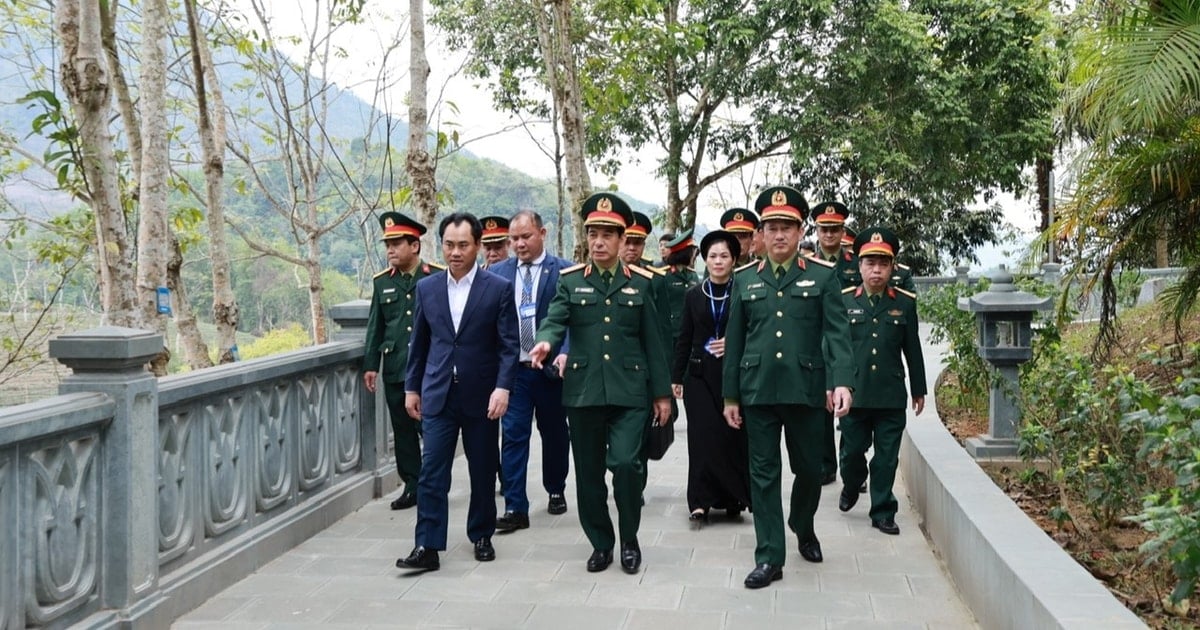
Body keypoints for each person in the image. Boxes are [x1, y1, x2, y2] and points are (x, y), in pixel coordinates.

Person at [529, 192, 671, 575]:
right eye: (593, 233)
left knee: (627, 465)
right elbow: (556, 318)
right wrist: (545, 340)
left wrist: (662, 394)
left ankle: (629, 538)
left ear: (624, 240)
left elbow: (653, 343)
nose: (599, 241)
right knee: (589, 476)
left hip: (630, 392)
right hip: (584, 392)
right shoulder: (571, 282)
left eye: (608, 234)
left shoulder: (642, 284)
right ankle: (601, 542)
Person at [722, 185, 854, 589]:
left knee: (810, 471)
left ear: (801, 232)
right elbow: (736, 339)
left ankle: (802, 522)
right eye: (772, 227)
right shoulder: (745, 279)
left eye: (787, 227)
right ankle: (769, 556)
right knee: (763, 475)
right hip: (758, 390)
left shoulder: (822, 276)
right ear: (761, 234)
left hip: (807, 389)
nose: (779, 235)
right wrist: (730, 395)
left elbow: (837, 333)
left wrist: (842, 382)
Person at [395, 212, 520, 573]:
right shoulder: (427, 288)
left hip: (482, 396)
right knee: (432, 470)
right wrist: (411, 387)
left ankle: (481, 535)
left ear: (477, 246)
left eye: (463, 245)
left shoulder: (496, 288)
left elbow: (508, 346)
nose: (455, 252)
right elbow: (418, 343)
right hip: (437, 395)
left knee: (482, 469)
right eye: (449, 245)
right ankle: (427, 545)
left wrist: (502, 388)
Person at [838, 227, 926, 536]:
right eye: (870, 263)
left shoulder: (904, 303)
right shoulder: (844, 300)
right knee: (851, 455)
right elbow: (833, 348)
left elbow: (912, 348)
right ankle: (851, 483)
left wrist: (919, 389)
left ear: (891, 268)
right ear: (859, 266)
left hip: (890, 394)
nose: (876, 270)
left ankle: (883, 511)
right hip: (854, 394)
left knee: (887, 458)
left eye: (883, 264)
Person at [488, 210, 573, 531]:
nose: (519, 244)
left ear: (543, 233)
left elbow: (571, 323)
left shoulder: (564, 271)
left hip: (550, 371)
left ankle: (556, 488)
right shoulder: (497, 274)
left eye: (526, 237)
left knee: (554, 434)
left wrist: (564, 353)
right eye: (514, 239)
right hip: (513, 372)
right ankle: (515, 506)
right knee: (512, 436)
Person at [362, 212, 443, 510]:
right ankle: (413, 484)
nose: (391, 250)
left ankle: (435, 483)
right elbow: (376, 325)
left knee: (433, 427)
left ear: (415, 245)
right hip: (396, 367)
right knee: (403, 430)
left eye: (397, 243)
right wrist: (371, 365)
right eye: (388, 244)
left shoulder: (436, 277)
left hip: (430, 368)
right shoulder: (382, 283)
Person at [671, 230, 751, 526]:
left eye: (724, 256)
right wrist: (675, 376)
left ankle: (733, 498)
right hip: (700, 376)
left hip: (733, 374)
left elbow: (754, 329)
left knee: (732, 436)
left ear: (734, 260)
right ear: (705, 259)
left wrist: (733, 341)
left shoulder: (743, 291)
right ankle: (700, 502)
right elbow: (684, 336)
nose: (718, 261)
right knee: (702, 438)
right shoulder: (694, 294)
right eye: (713, 256)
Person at [808, 201, 857, 486]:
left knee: (847, 406)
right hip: (816, 342)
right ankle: (826, 464)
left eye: (834, 229)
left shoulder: (854, 263)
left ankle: (851, 466)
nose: (829, 235)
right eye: (824, 229)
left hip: (849, 339)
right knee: (821, 408)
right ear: (816, 231)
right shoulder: (808, 263)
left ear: (842, 231)